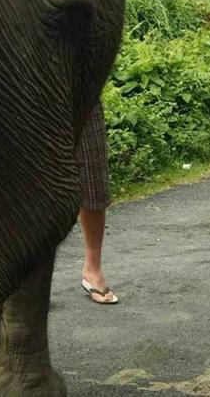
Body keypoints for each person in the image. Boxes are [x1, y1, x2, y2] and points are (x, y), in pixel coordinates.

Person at [76, 102, 118, 304]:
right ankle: (32, 277)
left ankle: (92, 268)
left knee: (93, 177)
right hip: (25, 86)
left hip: (80, 88)